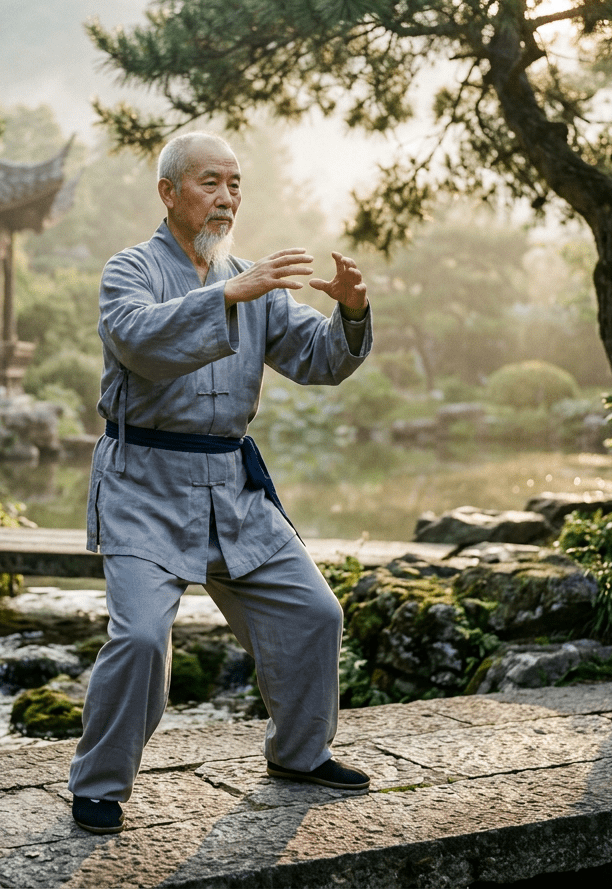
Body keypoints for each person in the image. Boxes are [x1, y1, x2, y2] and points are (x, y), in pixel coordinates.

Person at [68, 132, 373, 835]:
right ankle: (100, 785)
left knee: (314, 615)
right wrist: (228, 293)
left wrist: (351, 312)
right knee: (141, 637)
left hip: (231, 487)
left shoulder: (254, 282)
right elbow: (140, 341)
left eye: (235, 184)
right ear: (169, 193)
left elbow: (318, 360)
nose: (227, 198)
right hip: (145, 483)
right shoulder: (130, 270)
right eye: (211, 182)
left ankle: (299, 753)